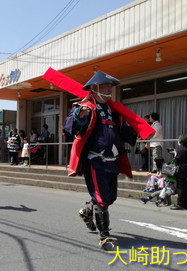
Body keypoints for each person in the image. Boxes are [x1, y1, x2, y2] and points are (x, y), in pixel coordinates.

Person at [63, 71, 154, 249]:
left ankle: (88, 211)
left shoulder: (114, 111)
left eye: (110, 87)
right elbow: (72, 128)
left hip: (112, 161)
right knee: (102, 198)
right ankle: (104, 235)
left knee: (110, 198)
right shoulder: (85, 107)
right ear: (95, 88)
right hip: (95, 161)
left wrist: (141, 131)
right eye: (106, 86)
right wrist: (79, 117)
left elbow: (124, 131)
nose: (110, 89)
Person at [169, 135, 187, 210]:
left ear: (181, 142)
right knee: (185, 187)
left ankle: (181, 204)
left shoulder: (181, 150)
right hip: (186, 171)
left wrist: (175, 154)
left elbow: (176, 160)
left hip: (180, 171)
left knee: (180, 188)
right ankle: (186, 203)